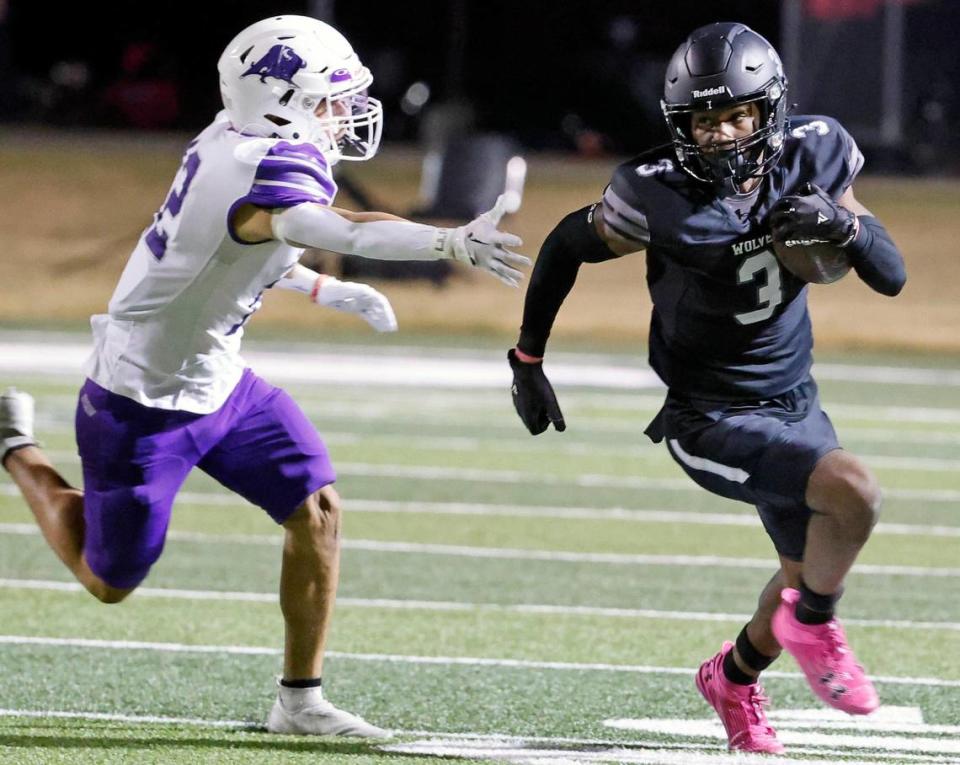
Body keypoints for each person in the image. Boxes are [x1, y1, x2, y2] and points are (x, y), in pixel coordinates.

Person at [0, 15, 527, 738]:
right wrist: (449, 241)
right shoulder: (256, 167)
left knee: (318, 510)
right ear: (283, 101)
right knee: (108, 578)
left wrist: (324, 291)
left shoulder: (235, 140)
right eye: (329, 98)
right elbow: (338, 229)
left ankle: (299, 700)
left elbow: (239, 250)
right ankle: (13, 446)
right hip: (141, 396)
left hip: (219, 377)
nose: (343, 113)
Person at [508, 22, 904, 754]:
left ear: (768, 113)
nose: (721, 134)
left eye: (736, 116)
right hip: (708, 414)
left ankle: (732, 678)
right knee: (854, 492)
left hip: (795, 402)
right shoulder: (654, 192)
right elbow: (567, 242)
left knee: (799, 570)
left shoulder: (815, 152)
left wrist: (847, 233)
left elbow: (893, 274)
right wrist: (528, 358)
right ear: (680, 124)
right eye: (704, 119)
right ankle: (818, 624)